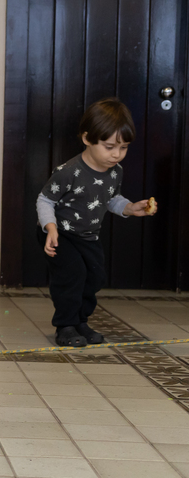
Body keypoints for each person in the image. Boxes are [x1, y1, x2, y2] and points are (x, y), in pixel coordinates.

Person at [36, 99, 156, 347]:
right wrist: (50, 228)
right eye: (109, 146)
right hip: (60, 233)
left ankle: (80, 322)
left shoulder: (115, 171)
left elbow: (110, 199)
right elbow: (45, 200)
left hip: (88, 235)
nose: (116, 154)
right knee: (73, 275)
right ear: (87, 138)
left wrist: (130, 208)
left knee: (94, 276)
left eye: (123, 147)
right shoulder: (69, 171)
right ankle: (65, 326)